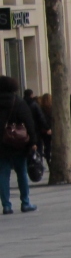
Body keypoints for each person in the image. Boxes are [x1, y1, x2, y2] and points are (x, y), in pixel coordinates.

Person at [0, 75, 39, 213]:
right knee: (21, 172)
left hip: (2, 145)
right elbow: (29, 122)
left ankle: (6, 205)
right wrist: (33, 141)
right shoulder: (18, 102)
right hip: (18, 144)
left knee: (3, 174)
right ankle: (25, 202)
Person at [24, 88, 49, 163]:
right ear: (31, 95)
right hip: (36, 129)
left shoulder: (21, 103)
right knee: (38, 146)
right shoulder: (34, 104)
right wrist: (47, 128)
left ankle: (29, 161)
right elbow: (41, 117)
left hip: (24, 130)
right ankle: (38, 161)